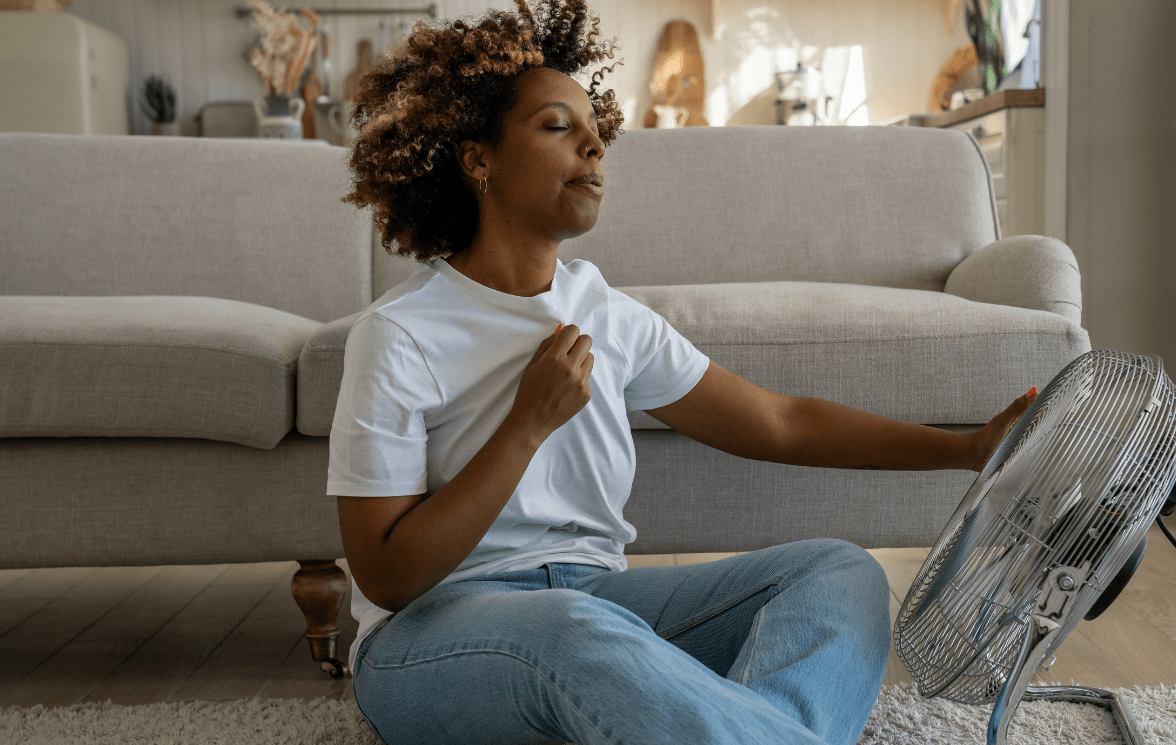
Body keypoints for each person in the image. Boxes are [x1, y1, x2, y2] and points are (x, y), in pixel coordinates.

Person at [329, 2, 1035, 743]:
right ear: (478, 160)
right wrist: (525, 426)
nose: (595, 148)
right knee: (576, 632)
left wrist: (967, 449)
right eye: (556, 126)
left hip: (597, 604)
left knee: (839, 573)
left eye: (595, 131)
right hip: (431, 636)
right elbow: (386, 574)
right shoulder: (401, 333)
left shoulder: (605, 313)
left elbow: (780, 422)